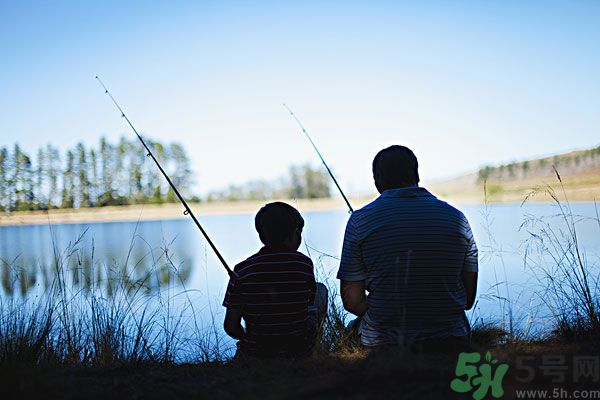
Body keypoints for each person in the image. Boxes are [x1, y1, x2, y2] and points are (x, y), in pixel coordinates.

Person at [337, 145, 478, 351]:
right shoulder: (457, 218)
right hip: (450, 336)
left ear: (377, 182)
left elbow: (351, 301)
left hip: (383, 341)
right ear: (416, 174)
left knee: (351, 330)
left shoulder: (360, 221)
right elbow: (467, 299)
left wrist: (386, 311)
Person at [223, 202, 328, 358]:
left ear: (261, 235)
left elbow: (231, 327)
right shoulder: (303, 264)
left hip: (256, 351)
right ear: (295, 233)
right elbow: (309, 300)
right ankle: (312, 349)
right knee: (320, 289)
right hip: (299, 348)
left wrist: (248, 338)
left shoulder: (241, 270)